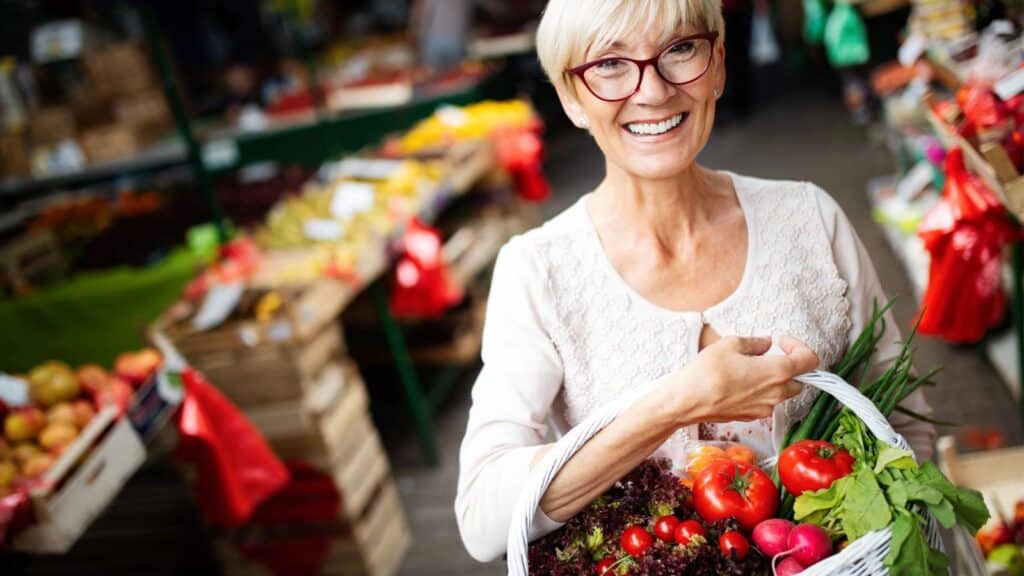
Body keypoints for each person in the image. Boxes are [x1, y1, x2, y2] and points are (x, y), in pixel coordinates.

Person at [454, 0, 935, 563]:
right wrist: (676, 404)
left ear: (720, 65)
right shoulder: (539, 270)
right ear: (570, 97)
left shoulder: (810, 217)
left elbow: (906, 430)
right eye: (610, 64)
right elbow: (483, 519)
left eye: (680, 50)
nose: (653, 91)